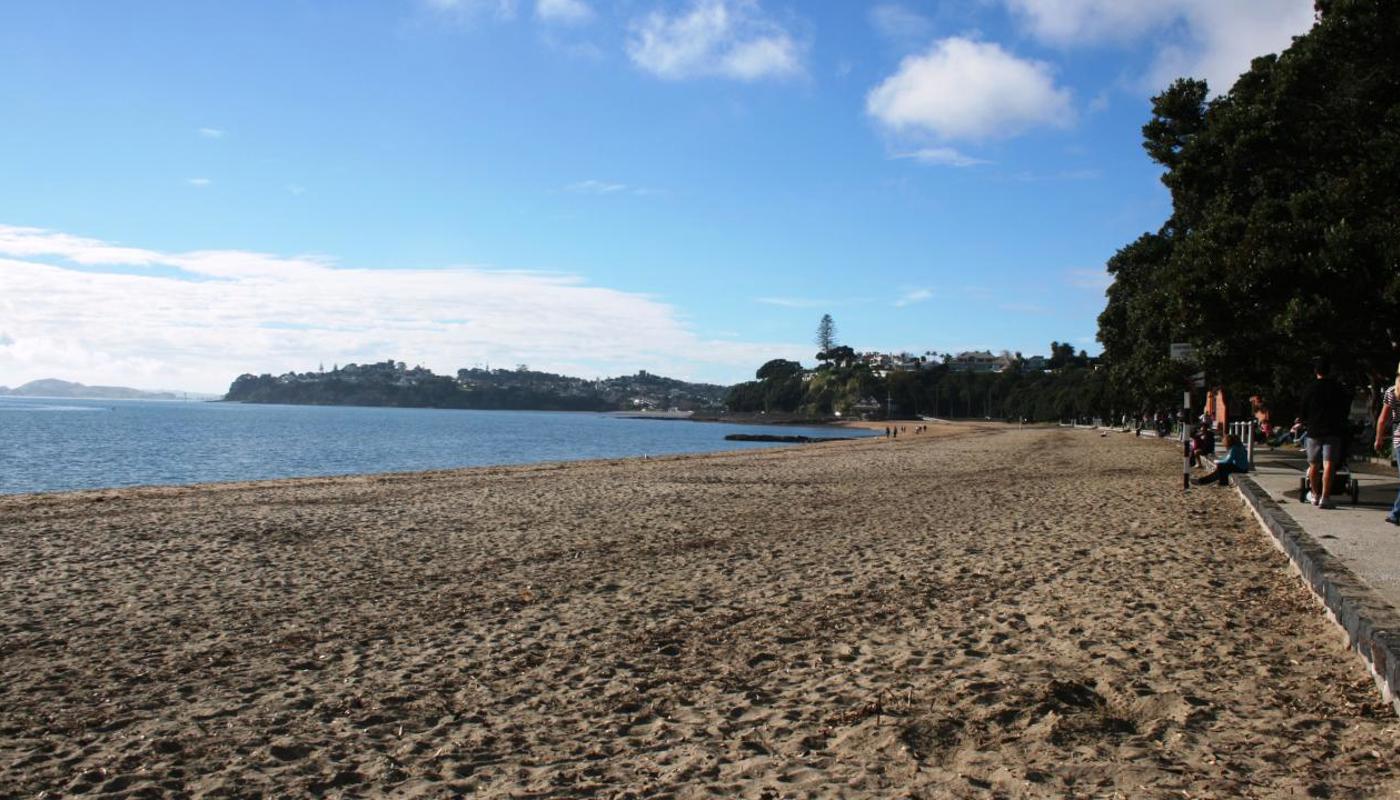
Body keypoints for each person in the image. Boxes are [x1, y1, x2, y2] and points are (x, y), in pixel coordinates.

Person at [1301, 356, 1351, 509]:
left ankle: (1315, 494)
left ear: (1316, 371)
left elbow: (1303, 409)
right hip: (1333, 430)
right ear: (1330, 371)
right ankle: (1325, 497)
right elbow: (1345, 408)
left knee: (1314, 464)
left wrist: (1305, 421)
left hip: (1314, 430)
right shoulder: (1338, 388)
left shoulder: (1310, 388)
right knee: (1329, 463)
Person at [1373, 362, 1400, 525]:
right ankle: (1395, 514)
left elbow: (1382, 419)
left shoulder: (1392, 391)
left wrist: (1378, 438)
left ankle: (1396, 514)